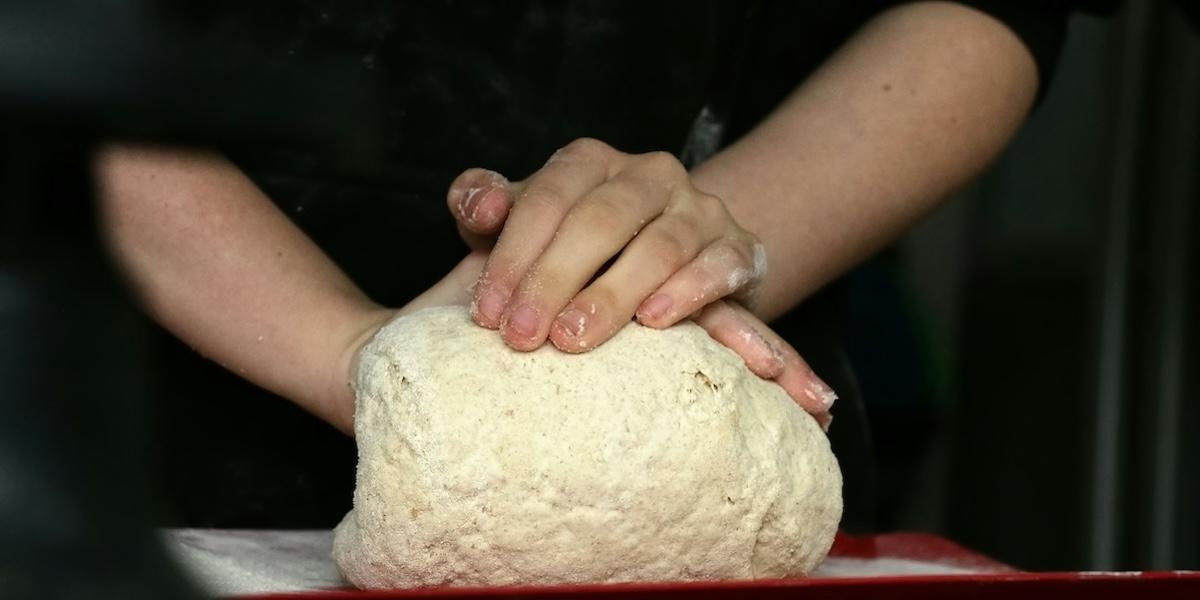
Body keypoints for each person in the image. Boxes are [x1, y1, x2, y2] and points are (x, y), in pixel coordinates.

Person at [94, 1, 1108, 528]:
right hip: (142, 396)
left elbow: (983, 5)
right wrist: (344, 347)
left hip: (703, 379)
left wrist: (680, 251)